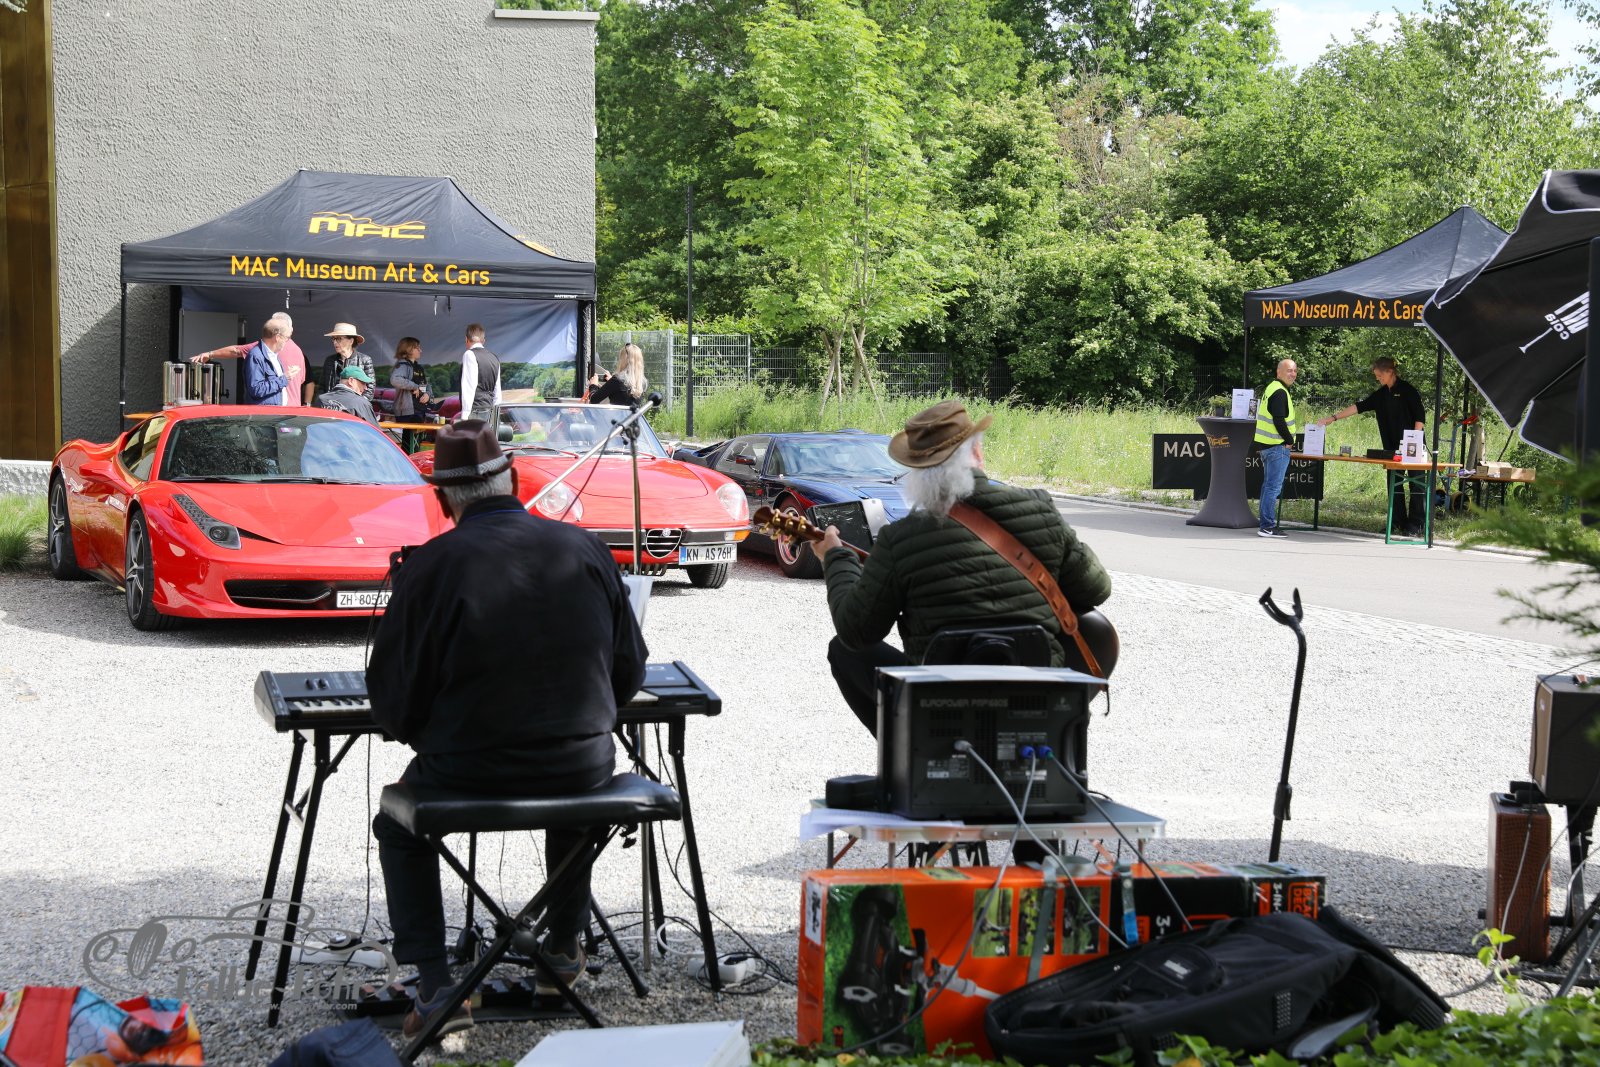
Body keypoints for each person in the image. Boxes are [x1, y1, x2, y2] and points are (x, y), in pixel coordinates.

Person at [367, 420, 647, 1038]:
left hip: (467, 770)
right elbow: (629, 672)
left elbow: (393, 704)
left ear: (443, 500)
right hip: (582, 767)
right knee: (574, 805)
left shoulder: (429, 566)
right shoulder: (585, 549)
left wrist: (434, 730)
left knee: (398, 824)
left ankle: (437, 988)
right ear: (515, 480)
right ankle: (563, 949)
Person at [817, 400, 1112, 736]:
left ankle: (904, 751)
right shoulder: (1040, 509)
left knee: (843, 651)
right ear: (977, 453)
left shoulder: (900, 538)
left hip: (938, 711)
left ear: (917, 474)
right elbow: (1097, 589)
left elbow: (856, 632)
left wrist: (836, 558)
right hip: (1035, 703)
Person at [1314, 356, 1428, 534]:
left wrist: (1413, 440)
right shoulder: (1381, 394)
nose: (1377, 378)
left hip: (1412, 446)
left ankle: (1417, 524)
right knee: (1395, 483)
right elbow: (1359, 406)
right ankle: (1396, 521)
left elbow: (1420, 417)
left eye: (1379, 375)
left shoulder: (1408, 390)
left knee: (1417, 484)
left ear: (1390, 372)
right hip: (1392, 448)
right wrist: (1333, 418)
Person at [191, 312, 309, 404]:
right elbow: (302, 381)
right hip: (293, 410)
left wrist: (210, 354)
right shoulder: (299, 351)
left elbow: (235, 350)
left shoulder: (264, 348)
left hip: (275, 413)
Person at [1254, 359, 1298, 539]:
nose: (1293, 374)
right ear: (1278, 372)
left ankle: (1265, 524)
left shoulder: (1272, 388)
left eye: (1295, 371)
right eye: (1289, 370)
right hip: (1277, 447)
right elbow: (1278, 419)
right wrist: (1289, 440)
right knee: (1272, 487)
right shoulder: (1280, 391)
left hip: (1268, 446)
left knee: (1268, 487)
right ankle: (1267, 526)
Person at [239, 320, 292, 406]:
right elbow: (256, 389)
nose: (287, 341)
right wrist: (284, 379)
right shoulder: (256, 356)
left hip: (275, 412)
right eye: (286, 338)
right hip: (263, 413)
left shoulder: (273, 355)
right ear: (277, 337)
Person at [457, 323, 502, 422]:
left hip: (475, 410)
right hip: (489, 410)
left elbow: (469, 386)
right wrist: (496, 414)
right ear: (483, 341)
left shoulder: (469, 354)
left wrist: (465, 416)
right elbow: (497, 390)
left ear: (466, 339)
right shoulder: (494, 357)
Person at [319, 323, 377, 398]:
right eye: (333, 339)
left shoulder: (365, 360)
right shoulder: (330, 360)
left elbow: (370, 388)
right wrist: (323, 402)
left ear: (351, 341)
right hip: (331, 404)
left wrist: (356, 403)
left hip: (354, 404)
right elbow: (322, 387)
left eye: (339, 339)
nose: (335, 342)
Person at [389, 336, 431, 420]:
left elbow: (426, 385)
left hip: (420, 410)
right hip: (407, 413)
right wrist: (414, 386)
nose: (420, 351)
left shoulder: (419, 368)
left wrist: (428, 394)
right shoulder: (403, 365)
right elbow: (395, 379)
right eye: (417, 348)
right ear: (409, 349)